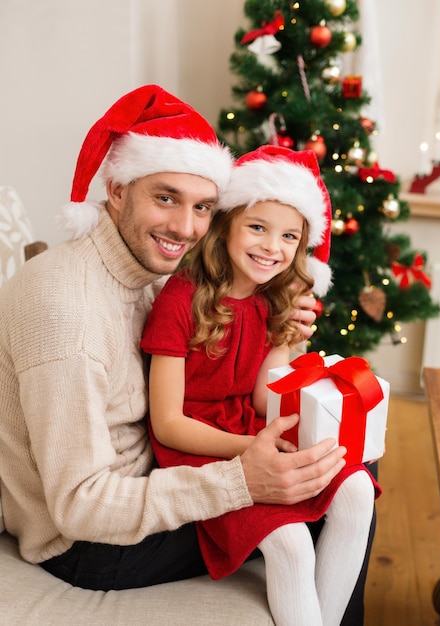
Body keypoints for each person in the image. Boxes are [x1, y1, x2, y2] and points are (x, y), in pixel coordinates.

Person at [0, 84, 343, 590]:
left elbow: (230, 369)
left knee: (343, 464)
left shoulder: (158, 271)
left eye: (203, 208)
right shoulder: (65, 309)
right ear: (117, 190)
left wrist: (283, 330)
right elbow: (79, 506)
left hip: (156, 469)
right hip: (91, 542)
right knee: (324, 500)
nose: (186, 228)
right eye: (166, 198)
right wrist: (242, 481)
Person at [141, 145, 381, 626]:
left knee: (356, 487)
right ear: (227, 223)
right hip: (201, 446)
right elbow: (167, 424)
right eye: (258, 227)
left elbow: (260, 399)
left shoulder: (273, 299)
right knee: (291, 543)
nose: (273, 247)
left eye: (289, 236)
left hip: (252, 426)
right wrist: (252, 448)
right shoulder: (181, 299)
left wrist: (286, 339)